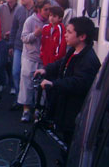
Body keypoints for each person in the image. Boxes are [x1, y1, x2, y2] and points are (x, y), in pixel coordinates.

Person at [38, 16, 101, 147]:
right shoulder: (74, 50)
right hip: (66, 106)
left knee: (70, 144)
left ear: (82, 37)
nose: (65, 35)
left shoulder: (88, 60)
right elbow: (62, 63)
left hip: (74, 111)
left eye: (69, 32)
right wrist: (45, 70)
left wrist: (54, 84)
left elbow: (79, 82)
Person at [18, 0, 50, 122]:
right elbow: (24, 38)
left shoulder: (49, 21)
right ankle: (26, 110)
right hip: (30, 57)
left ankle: (38, 110)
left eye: (49, 9)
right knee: (27, 84)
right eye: (45, 9)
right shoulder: (30, 21)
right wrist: (35, 34)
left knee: (41, 86)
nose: (48, 12)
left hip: (43, 59)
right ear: (39, 9)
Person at [8, 0, 35, 109]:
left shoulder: (37, 11)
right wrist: (11, 45)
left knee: (29, 75)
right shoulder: (19, 10)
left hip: (32, 48)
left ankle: (30, 101)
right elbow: (14, 29)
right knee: (16, 72)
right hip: (19, 46)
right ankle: (20, 98)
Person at [0, 0, 20, 91]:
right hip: (2, 39)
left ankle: (12, 85)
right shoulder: (1, 8)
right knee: (0, 63)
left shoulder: (20, 9)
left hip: (15, 40)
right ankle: (2, 82)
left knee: (13, 65)